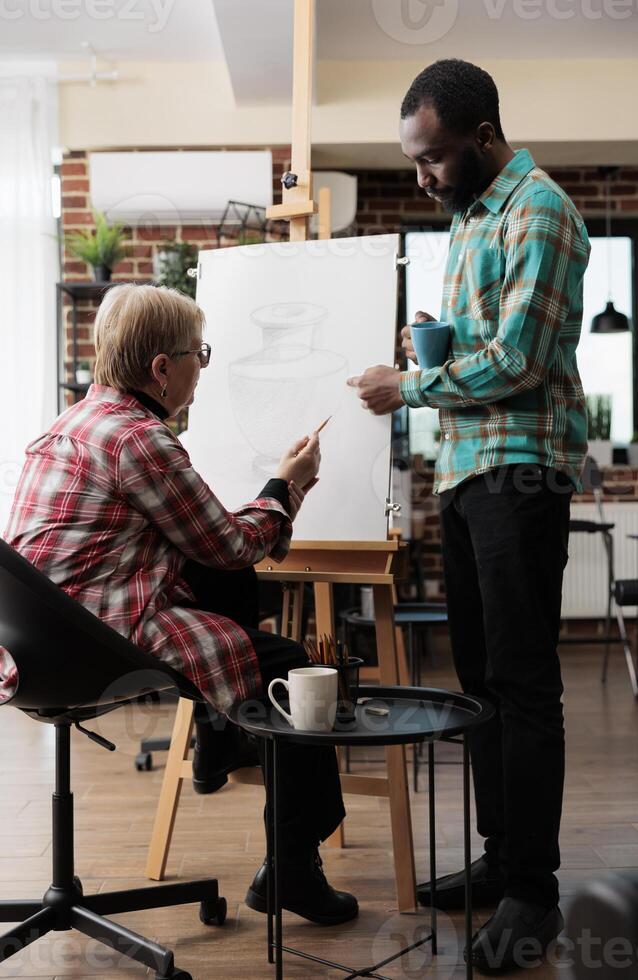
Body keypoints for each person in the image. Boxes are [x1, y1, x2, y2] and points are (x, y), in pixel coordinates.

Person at [1, 283, 357, 926]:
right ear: (162, 368)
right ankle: (292, 871)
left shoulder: (75, 421)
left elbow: (205, 550)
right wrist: (287, 485)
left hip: (28, 644)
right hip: (90, 643)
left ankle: (224, 735)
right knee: (297, 672)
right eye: (200, 353)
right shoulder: (140, 439)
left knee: (211, 573)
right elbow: (229, 543)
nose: (203, 366)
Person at [348, 59, 590, 972]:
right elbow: (483, 348)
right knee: (481, 679)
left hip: (519, 475)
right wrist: (425, 358)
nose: (424, 177)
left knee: (523, 683)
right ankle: (502, 858)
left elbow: (522, 360)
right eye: (415, 161)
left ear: (485, 136)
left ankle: (535, 893)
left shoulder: (539, 210)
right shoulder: (473, 216)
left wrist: (410, 383)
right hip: (465, 473)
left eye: (436, 158)